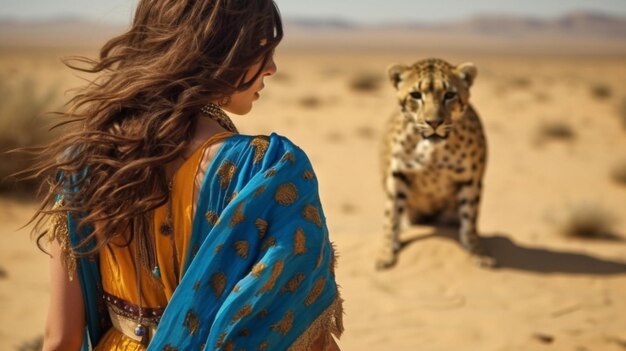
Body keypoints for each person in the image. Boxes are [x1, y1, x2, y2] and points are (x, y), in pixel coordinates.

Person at [30, 1, 343, 350]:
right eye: (259, 49)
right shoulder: (263, 172)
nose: (271, 67)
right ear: (216, 48)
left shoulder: (86, 163)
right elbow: (309, 337)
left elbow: (59, 340)